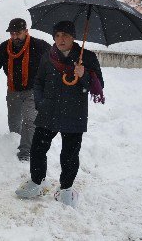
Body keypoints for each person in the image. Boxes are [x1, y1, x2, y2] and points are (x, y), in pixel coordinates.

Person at [16, 21, 104, 206]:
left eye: (65, 35)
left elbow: (98, 87)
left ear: (73, 37)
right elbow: (38, 81)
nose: (61, 39)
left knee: (70, 154)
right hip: (49, 111)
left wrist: (84, 75)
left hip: (74, 113)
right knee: (38, 149)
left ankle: (66, 189)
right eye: (57, 35)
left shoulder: (86, 57)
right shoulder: (48, 56)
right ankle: (37, 182)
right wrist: (40, 102)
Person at [0, 18, 50, 160]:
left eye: (18, 33)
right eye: (12, 34)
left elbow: (54, 60)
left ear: (26, 32)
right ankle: (14, 145)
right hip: (13, 90)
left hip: (32, 91)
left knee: (30, 120)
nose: (15, 37)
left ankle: (25, 153)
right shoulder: (5, 47)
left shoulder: (39, 46)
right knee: (14, 123)